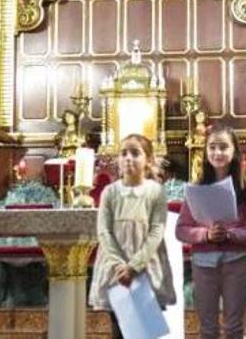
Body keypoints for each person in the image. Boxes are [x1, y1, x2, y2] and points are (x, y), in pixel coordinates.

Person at [176, 124, 246, 339]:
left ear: (234, 152)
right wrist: (205, 235)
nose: (217, 153)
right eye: (212, 147)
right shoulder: (196, 188)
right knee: (208, 327)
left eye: (223, 147)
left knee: (233, 326)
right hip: (203, 262)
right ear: (205, 151)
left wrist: (232, 235)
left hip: (236, 261)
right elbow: (182, 230)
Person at [89, 134, 176, 339]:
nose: (128, 158)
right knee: (118, 331)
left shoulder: (155, 192)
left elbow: (156, 231)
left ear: (148, 160)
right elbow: (104, 231)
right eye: (124, 153)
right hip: (114, 270)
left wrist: (133, 266)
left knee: (144, 334)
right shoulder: (110, 192)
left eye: (135, 153)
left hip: (146, 268)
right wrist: (121, 266)